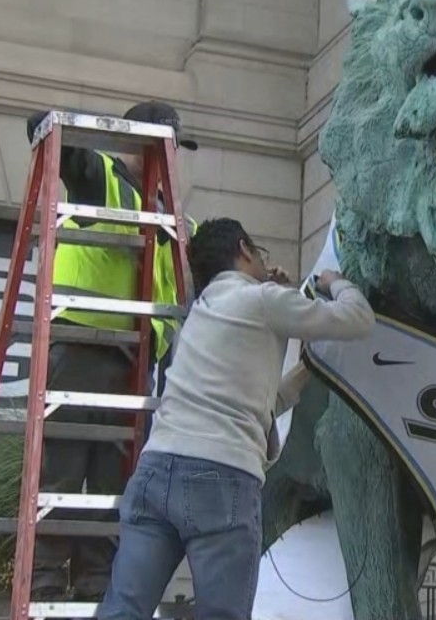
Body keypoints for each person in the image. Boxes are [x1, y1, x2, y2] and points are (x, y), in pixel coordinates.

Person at [97, 217, 376, 620]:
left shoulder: (203, 311)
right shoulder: (263, 301)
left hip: (156, 471)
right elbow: (358, 319)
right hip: (220, 478)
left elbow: (254, 404)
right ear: (245, 250)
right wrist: (336, 282)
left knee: (123, 608)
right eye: (259, 253)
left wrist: (305, 369)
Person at [25, 100, 195, 602]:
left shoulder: (172, 215)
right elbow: (66, 147)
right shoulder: (106, 177)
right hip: (84, 344)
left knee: (112, 482)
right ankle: (49, 580)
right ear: (140, 145)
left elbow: (208, 258)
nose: (172, 160)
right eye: (165, 147)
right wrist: (51, 124)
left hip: (134, 363)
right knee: (62, 471)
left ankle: (98, 583)